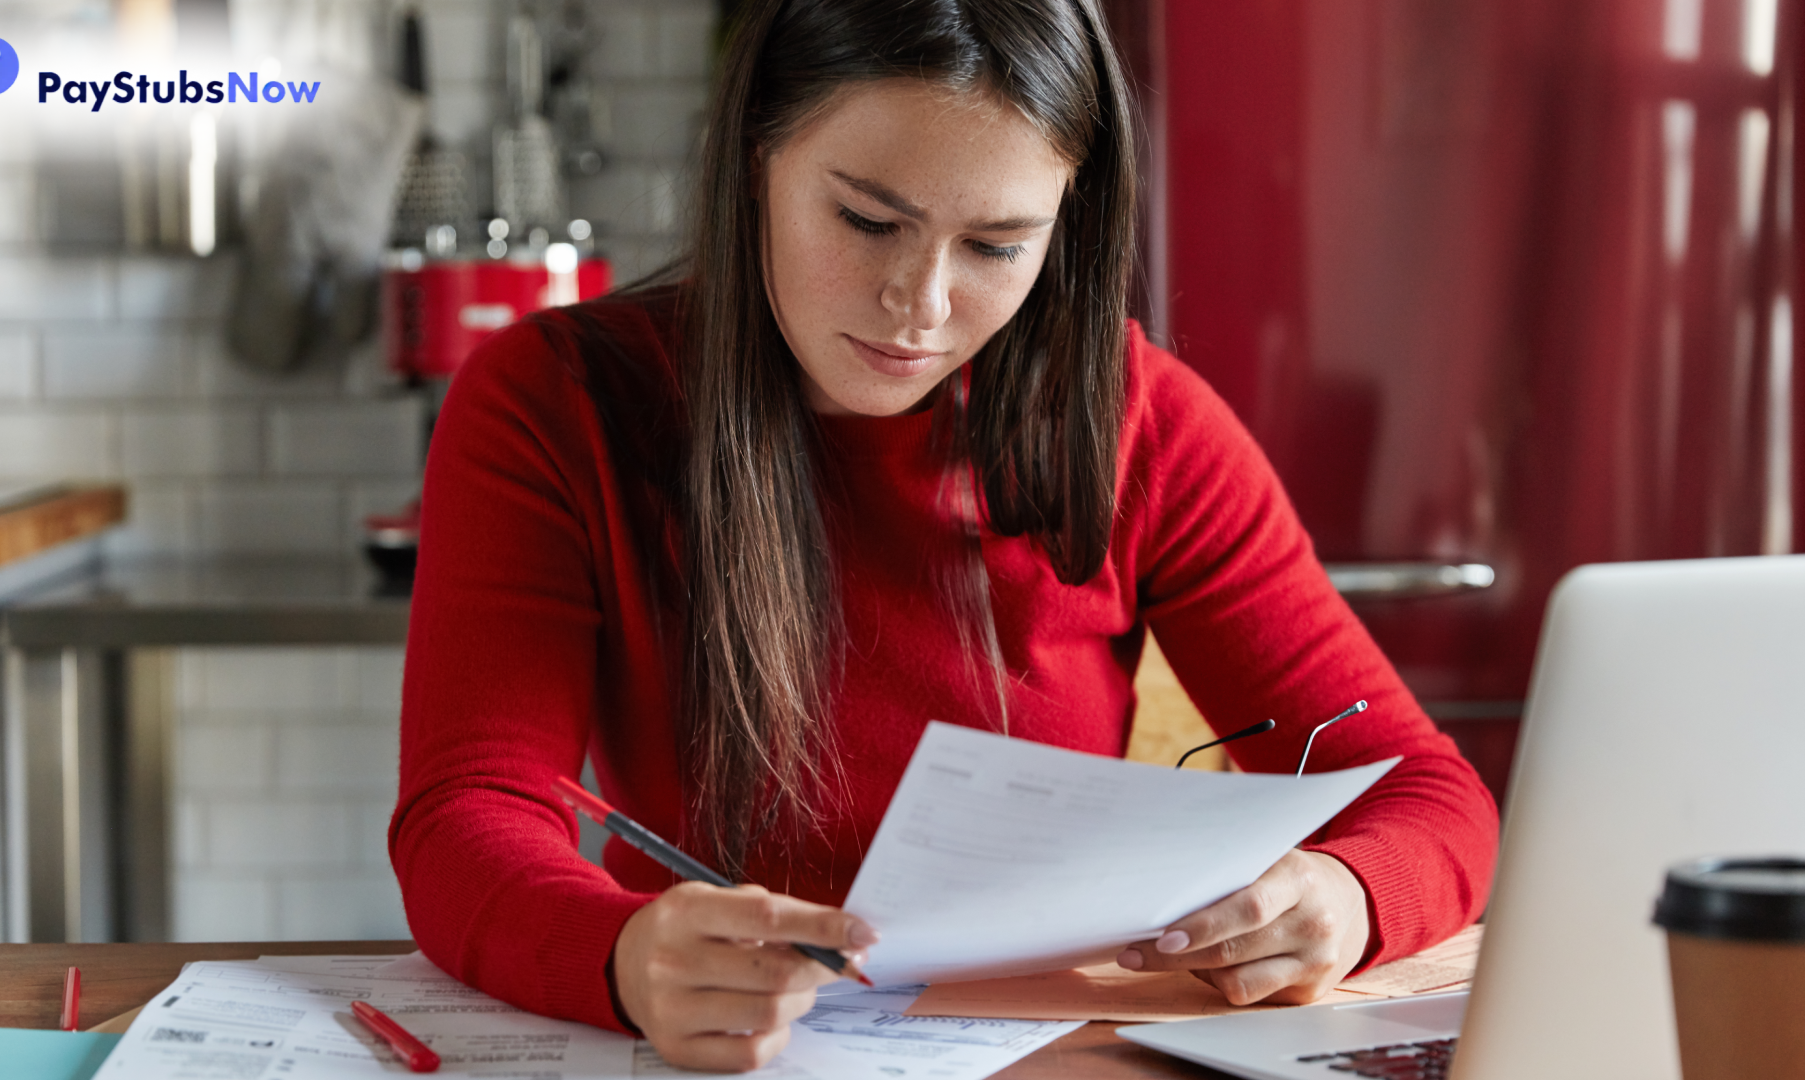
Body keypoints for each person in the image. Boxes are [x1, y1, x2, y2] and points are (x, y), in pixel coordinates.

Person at [391, 0, 1499, 1071]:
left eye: (997, 246)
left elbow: (1432, 801)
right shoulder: (551, 404)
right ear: (753, 163)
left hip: (1056, 1051)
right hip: (720, 1053)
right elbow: (466, 814)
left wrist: (1347, 898)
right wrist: (624, 953)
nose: (918, 304)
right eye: (868, 221)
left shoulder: (1142, 425)